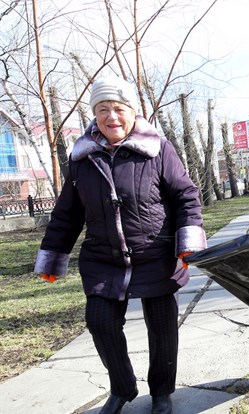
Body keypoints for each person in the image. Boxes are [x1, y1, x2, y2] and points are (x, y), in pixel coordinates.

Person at [34, 75, 207, 414]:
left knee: (162, 327)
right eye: (102, 110)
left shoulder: (157, 148)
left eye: (118, 109)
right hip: (103, 258)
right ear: (94, 115)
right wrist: (53, 257)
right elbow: (67, 213)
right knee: (100, 322)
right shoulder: (82, 157)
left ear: (132, 112)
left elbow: (185, 195)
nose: (111, 117)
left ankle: (161, 392)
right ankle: (122, 388)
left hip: (155, 253)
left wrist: (188, 238)